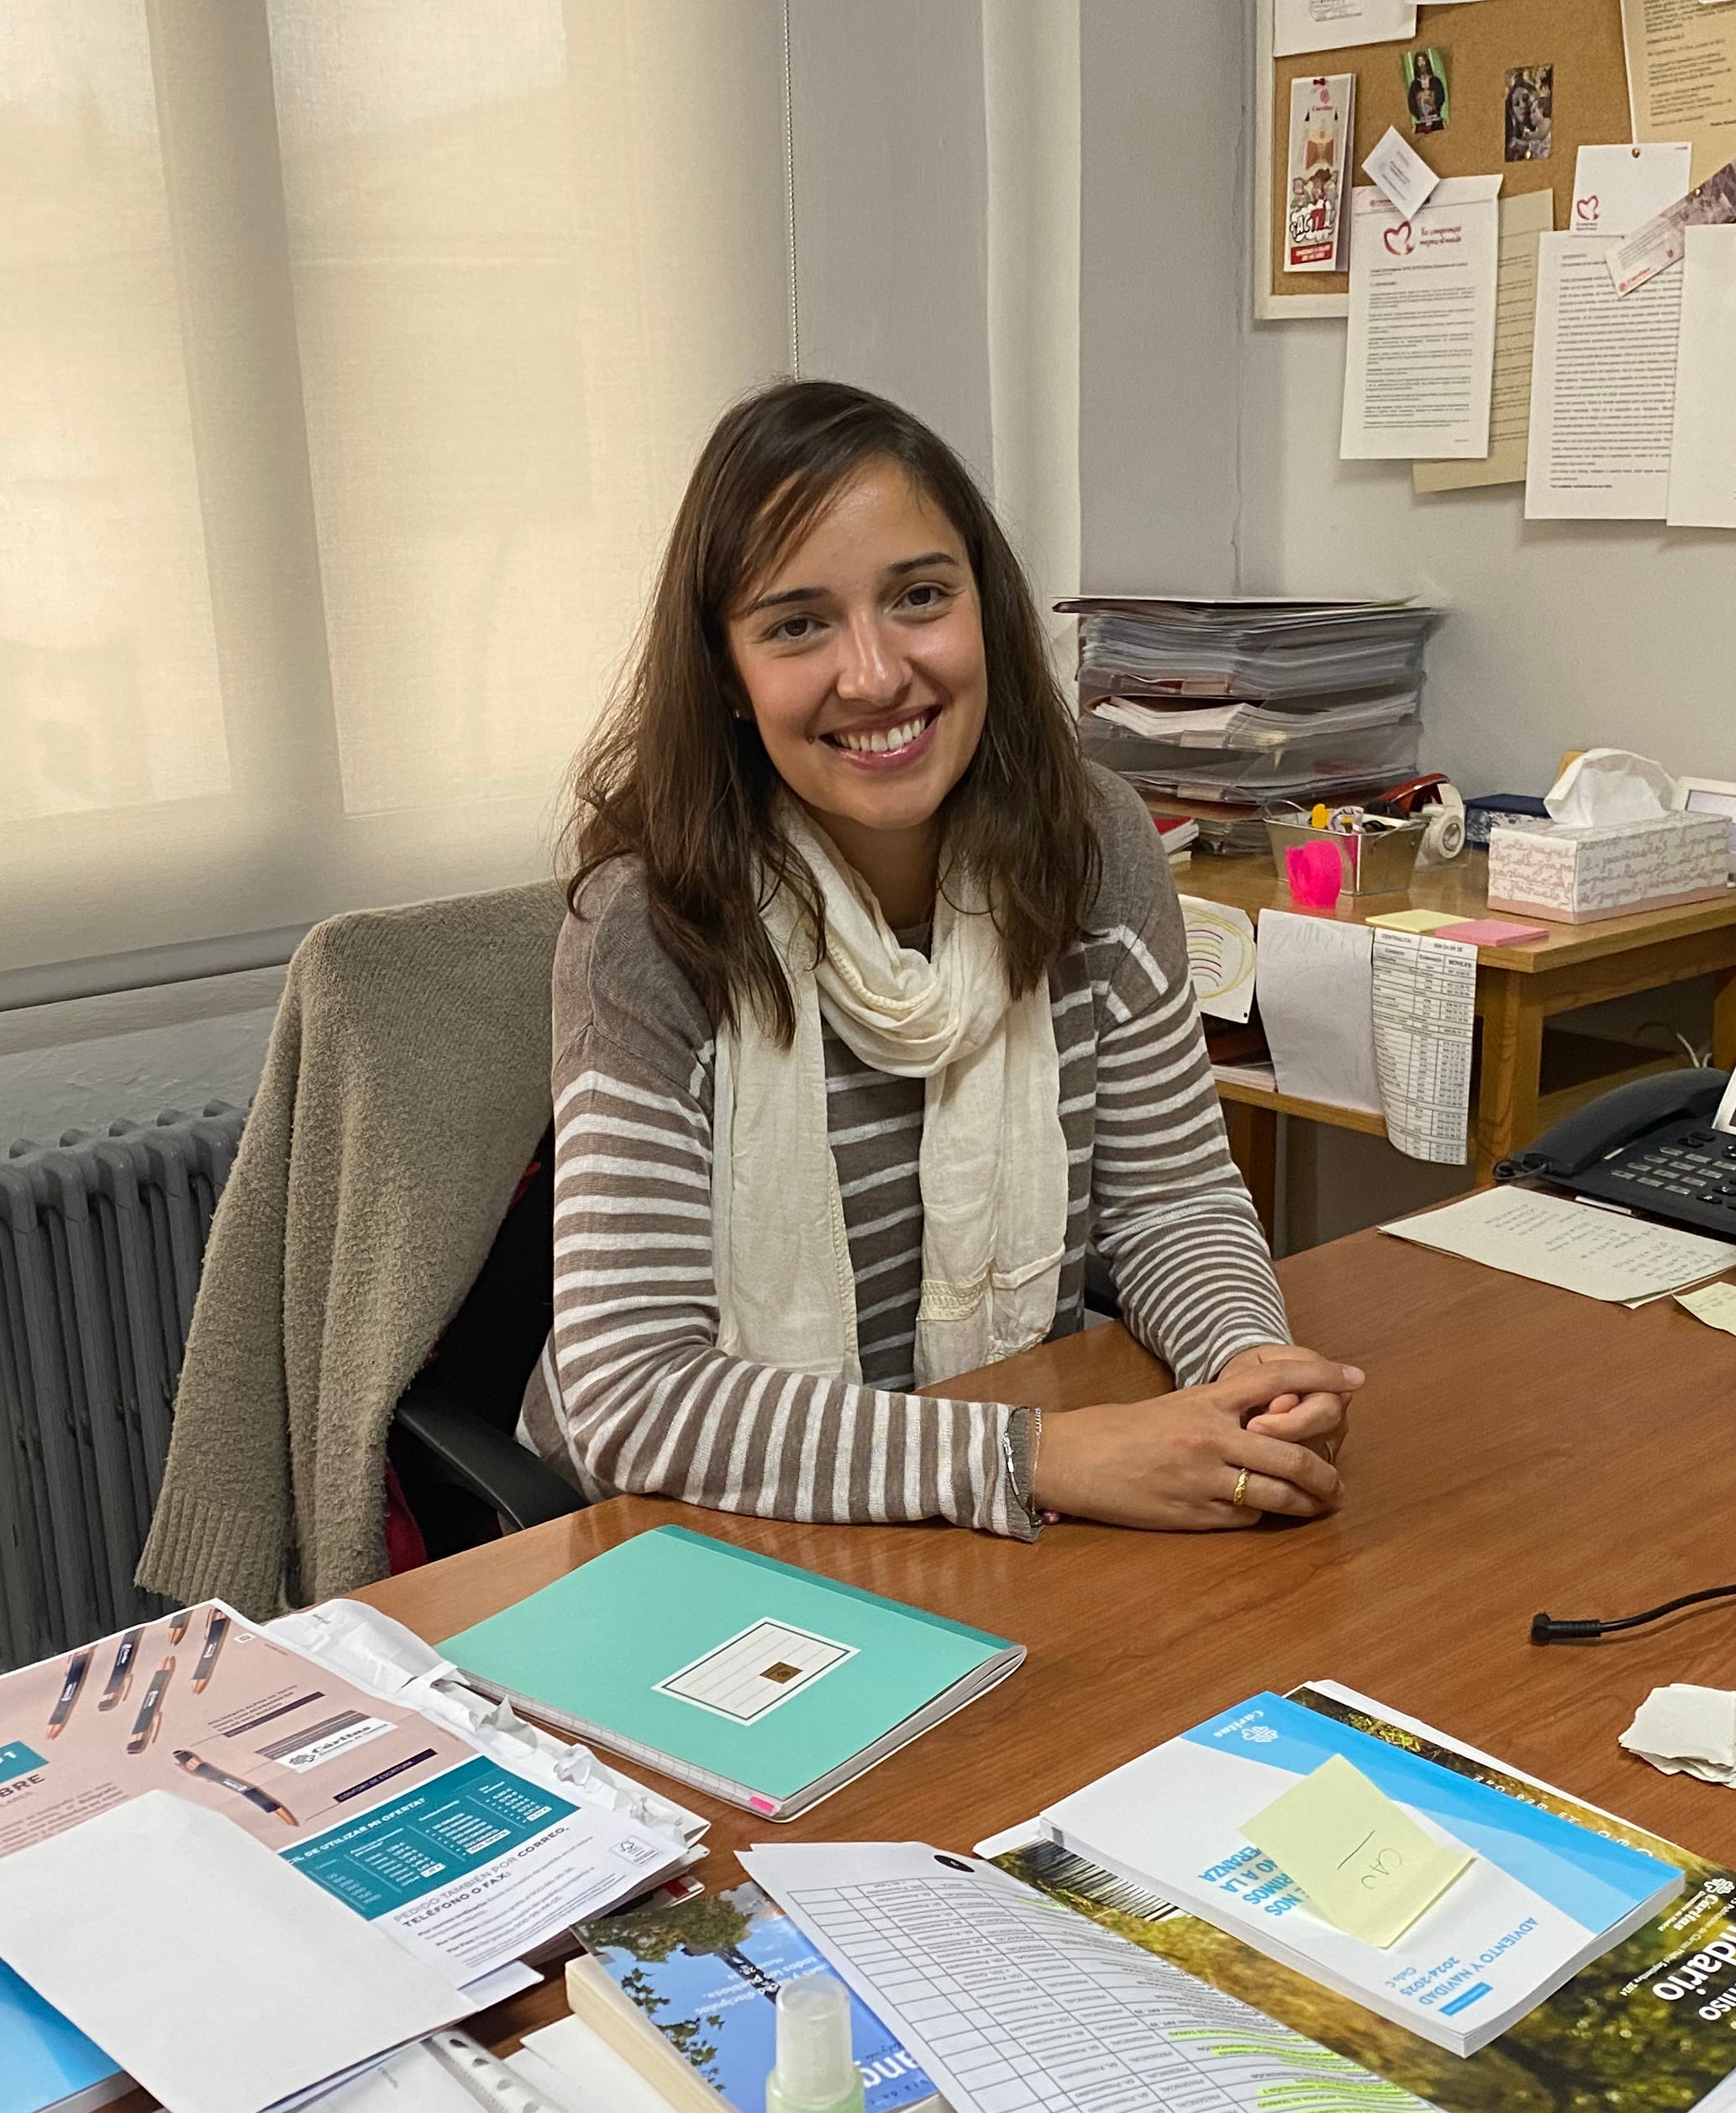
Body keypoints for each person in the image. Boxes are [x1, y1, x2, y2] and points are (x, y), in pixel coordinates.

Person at [523, 381, 1361, 1538]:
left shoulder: (1094, 845)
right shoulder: (651, 927)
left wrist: (1250, 1365)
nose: (874, 675)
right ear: (726, 671)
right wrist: (1037, 1457)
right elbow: (632, 1398)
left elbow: (1170, 1203)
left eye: (919, 597)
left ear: (986, 604)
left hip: (983, 1504)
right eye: (797, 623)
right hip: (705, 1530)